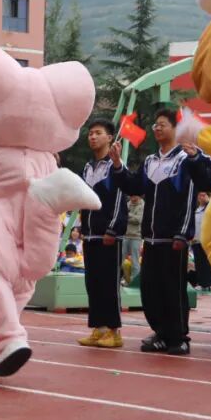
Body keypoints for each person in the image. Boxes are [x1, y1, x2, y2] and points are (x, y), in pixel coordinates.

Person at [111, 108, 211, 356]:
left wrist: (183, 233)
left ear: (175, 128)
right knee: (151, 289)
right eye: (155, 125)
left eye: (162, 124)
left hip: (174, 238)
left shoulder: (186, 158)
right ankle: (160, 332)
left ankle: (179, 336)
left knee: (173, 289)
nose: (157, 129)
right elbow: (134, 186)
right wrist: (117, 165)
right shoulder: (150, 161)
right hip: (151, 237)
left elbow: (195, 191)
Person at [77, 118, 129, 349]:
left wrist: (113, 229)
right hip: (89, 235)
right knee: (93, 283)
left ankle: (114, 331)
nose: (92, 137)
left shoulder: (116, 167)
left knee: (109, 284)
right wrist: (82, 226)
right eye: (90, 133)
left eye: (98, 133)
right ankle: (98, 328)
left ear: (110, 138)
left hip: (108, 237)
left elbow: (120, 200)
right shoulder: (88, 168)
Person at [191, 191, 211, 290]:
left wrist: (209, 201)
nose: (202, 197)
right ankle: (202, 283)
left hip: (208, 240)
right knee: (199, 263)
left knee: (209, 262)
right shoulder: (196, 210)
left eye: (204, 195)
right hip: (196, 240)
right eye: (200, 195)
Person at [122, 196, 144, 284]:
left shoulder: (142, 205)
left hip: (136, 236)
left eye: (134, 195)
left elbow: (138, 220)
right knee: (120, 259)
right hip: (126, 235)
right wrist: (130, 216)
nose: (132, 197)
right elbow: (122, 216)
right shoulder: (127, 204)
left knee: (135, 260)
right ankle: (122, 278)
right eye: (131, 195)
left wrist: (127, 214)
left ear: (138, 195)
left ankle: (134, 281)